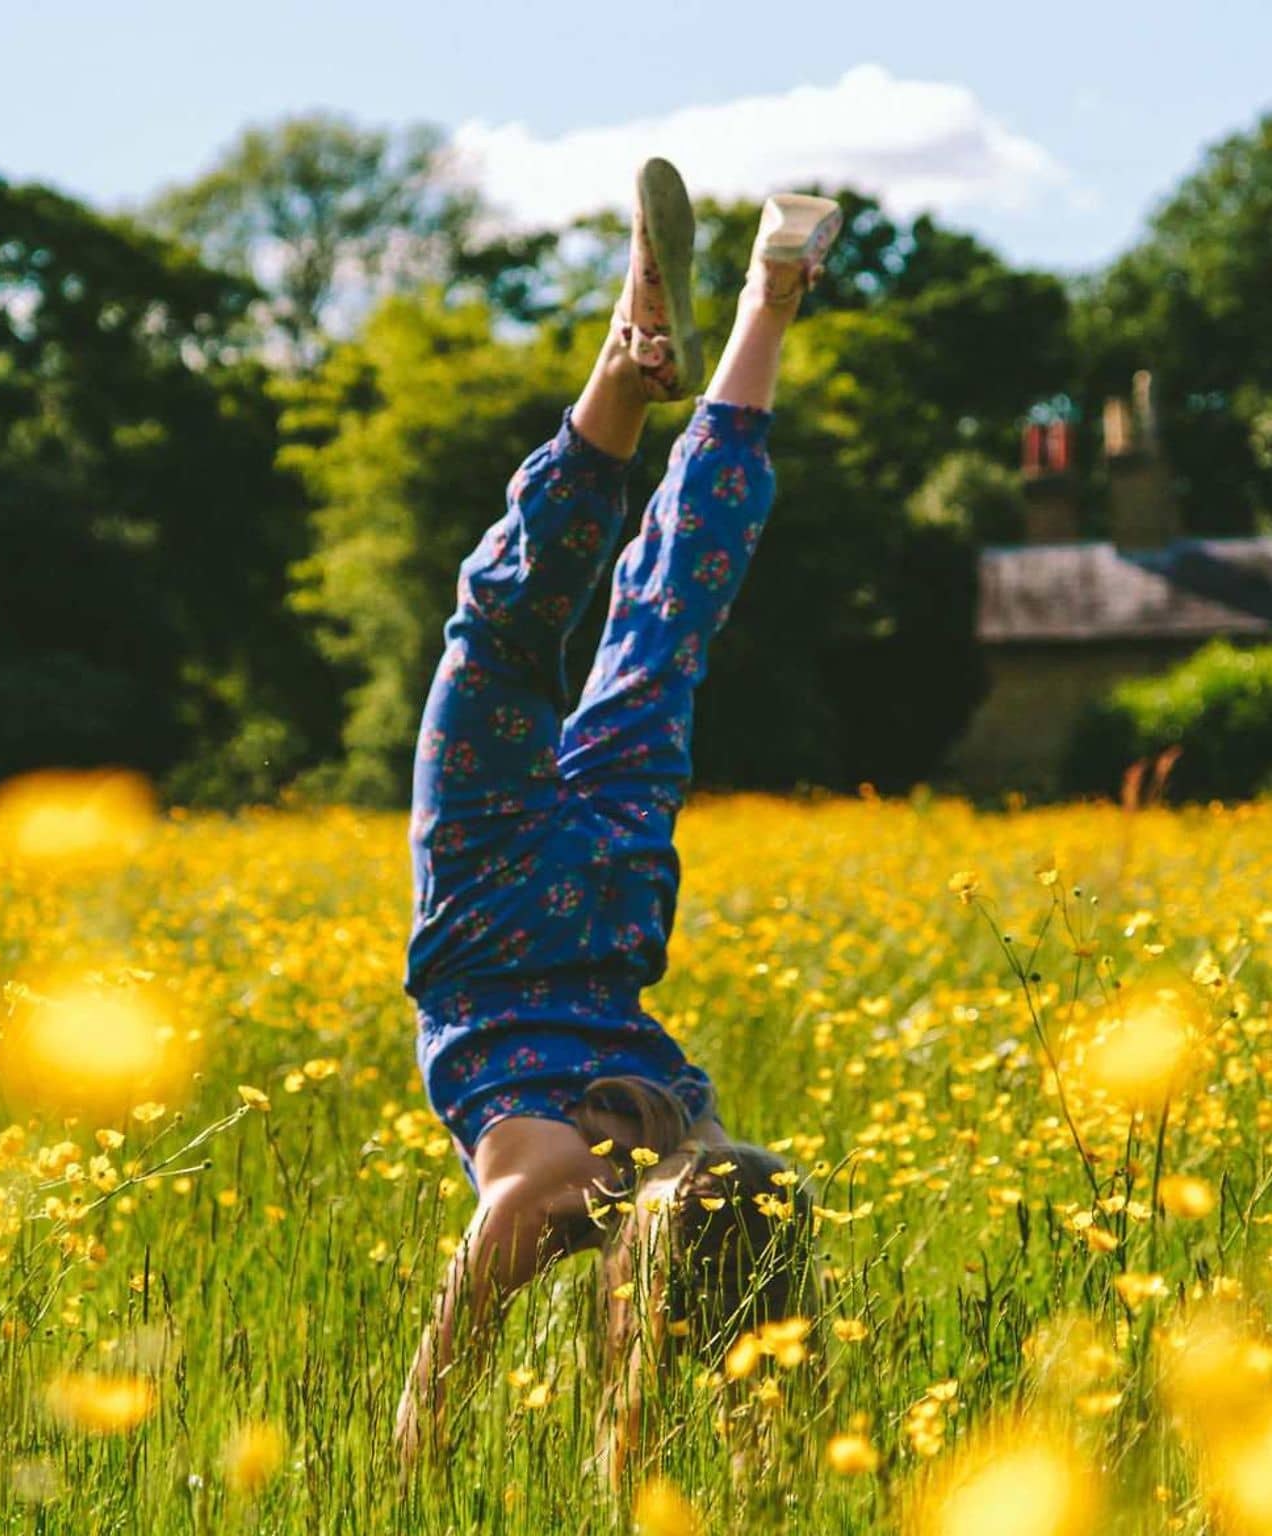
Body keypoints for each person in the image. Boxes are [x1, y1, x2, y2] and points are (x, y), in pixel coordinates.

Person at [393, 159, 840, 1464]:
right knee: (599, 623)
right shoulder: (666, 1172)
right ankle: (722, 321)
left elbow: (436, 1399)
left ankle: (725, 319)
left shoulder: (615, 1174)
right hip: (529, 906)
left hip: (534, 900)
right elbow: (439, 1396)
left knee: (645, 622)